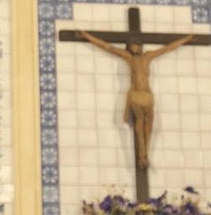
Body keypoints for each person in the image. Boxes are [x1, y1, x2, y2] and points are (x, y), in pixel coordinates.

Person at [78, 30, 194, 169]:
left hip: (147, 95)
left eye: (137, 45)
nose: (135, 47)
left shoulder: (148, 56)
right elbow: (107, 47)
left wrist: (186, 39)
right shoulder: (128, 58)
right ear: (129, 47)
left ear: (140, 46)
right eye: (132, 45)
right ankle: (142, 155)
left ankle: (145, 154)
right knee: (140, 122)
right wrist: (86, 36)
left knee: (150, 122)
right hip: (136, 95)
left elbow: (168, 48)